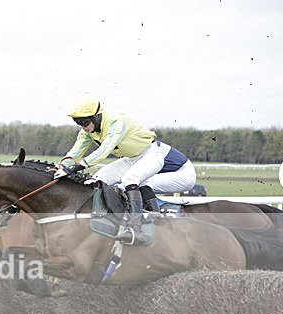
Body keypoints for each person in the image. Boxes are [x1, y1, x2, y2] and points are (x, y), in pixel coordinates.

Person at [54, 95, 196, 244]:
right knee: (97, 178)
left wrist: (77, 167)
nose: (82, 126)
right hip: (133, 157)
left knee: (130, 180)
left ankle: (138, 228)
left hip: (153, 154)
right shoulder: (88, 131)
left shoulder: (116, 121)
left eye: (84, 122)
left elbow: (104, 150)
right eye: (77, 123)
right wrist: (61, 166)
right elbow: (76, 150)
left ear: (96, 117)